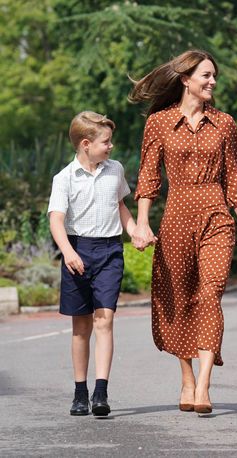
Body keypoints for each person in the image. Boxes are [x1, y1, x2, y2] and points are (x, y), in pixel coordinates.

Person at [129, 49, 237, 415]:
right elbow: (149, 177)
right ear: (186, 79)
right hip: (177, 216)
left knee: (211, 294)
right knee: (179, 297)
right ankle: (186, 378)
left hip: (217, 215)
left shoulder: (225, 123)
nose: (213, 82)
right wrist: (141, 222)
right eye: (206, 76)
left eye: (214, 76)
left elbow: (233, 178)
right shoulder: (159, 124)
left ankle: (203, 385)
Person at [48, 111, 135, 416]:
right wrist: (68, 252)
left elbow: (121, 205)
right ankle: (79, 391)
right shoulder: (64, 179)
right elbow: (56, 220)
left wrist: (134, 230)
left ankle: (101, 392)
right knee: (81, 326)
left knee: (105, 319)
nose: (110, 146)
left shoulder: (115, 170)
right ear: (86, 144)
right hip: (77, 250)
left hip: (110, 251)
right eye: (105, 142)